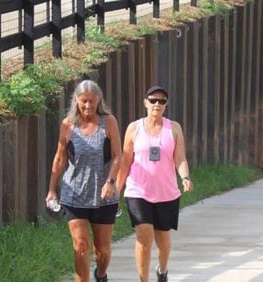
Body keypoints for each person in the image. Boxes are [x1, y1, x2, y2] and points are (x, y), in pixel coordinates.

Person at [46, 80, 122, 282]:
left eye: (92, 102)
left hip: (103, 196)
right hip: (74, 194)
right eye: (84, 102)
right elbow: (60, 158)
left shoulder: (109, 122)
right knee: (80, 245)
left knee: (102, 251)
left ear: (99, 101)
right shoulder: (68, 125)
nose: (88, 106)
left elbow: (117, 156)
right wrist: (52, 190)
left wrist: (111, 182)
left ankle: (101, 274)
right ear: (76, 101)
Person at [116, 85, 194, 282]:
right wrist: (116, 191)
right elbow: (125, 162)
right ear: (145, 103)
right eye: (153, 100)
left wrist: (185, 177)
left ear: (166, 105)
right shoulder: (134, 128)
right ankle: (143, 279)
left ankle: (162, 270)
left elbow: (180, 158)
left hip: (166, 192)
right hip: (138, 191)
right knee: (144, 234)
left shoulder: (173, 128)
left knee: (164, 241)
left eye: (161, 101)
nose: (157, 104)